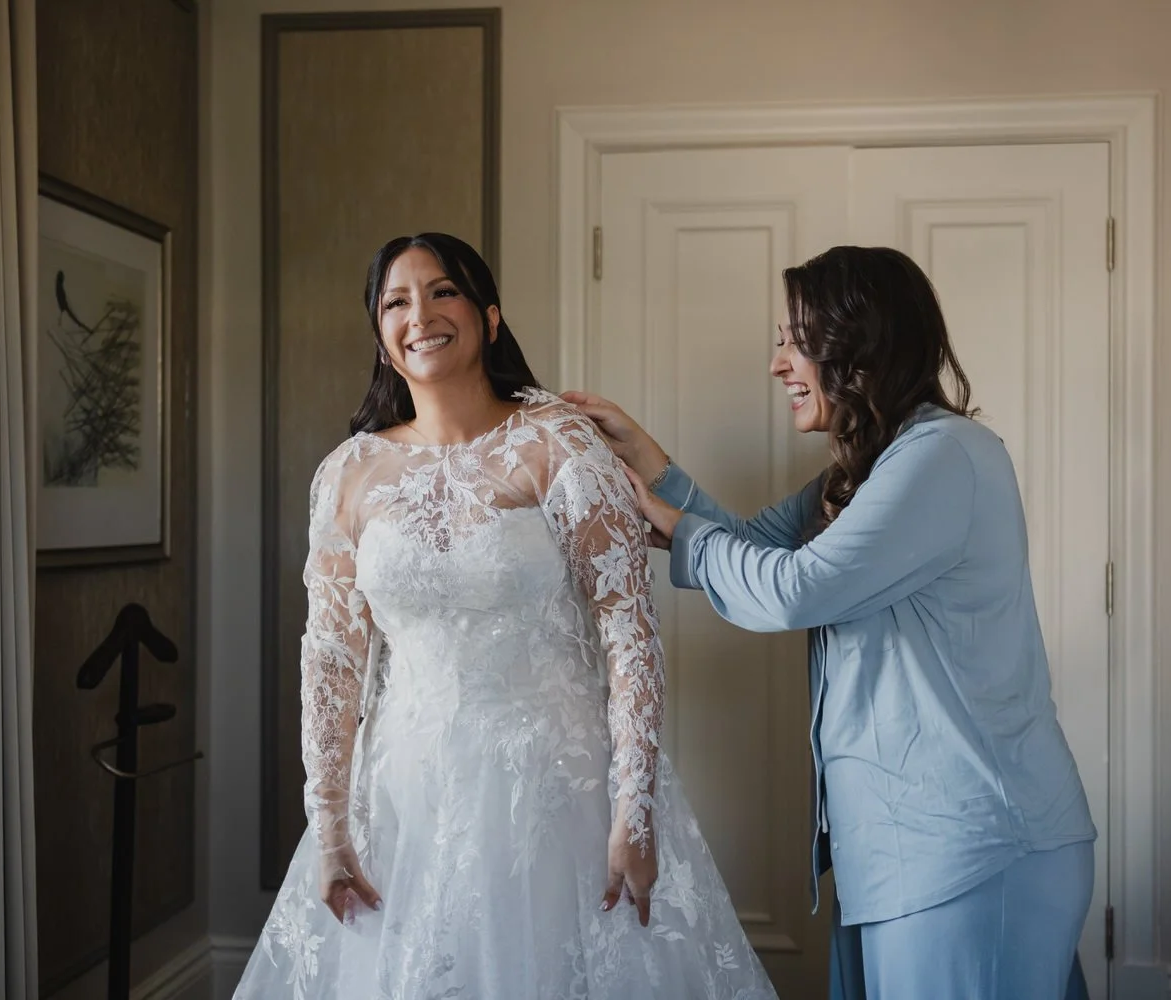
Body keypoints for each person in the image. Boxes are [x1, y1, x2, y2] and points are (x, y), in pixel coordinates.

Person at [234, 233, 778, 999]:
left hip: (555, 795)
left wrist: (635, 809)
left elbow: (630, 634)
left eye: (443, 292)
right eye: (396, 302)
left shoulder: (559, 446)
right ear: (382, 340)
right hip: (404, 799)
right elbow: (330, 655)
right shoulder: (349, 474)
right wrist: (328, 825)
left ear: (489, 317)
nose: (420, 315)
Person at [565, 245, 1098, 1000]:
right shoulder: (864, 472)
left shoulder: (942, 456)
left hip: (973, 848)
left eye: (796, 340)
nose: (777, 363)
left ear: (860, 342)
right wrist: (651, 464)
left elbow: (793, 589)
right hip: (902, 849)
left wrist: (676, 526)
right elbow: (752, 548)